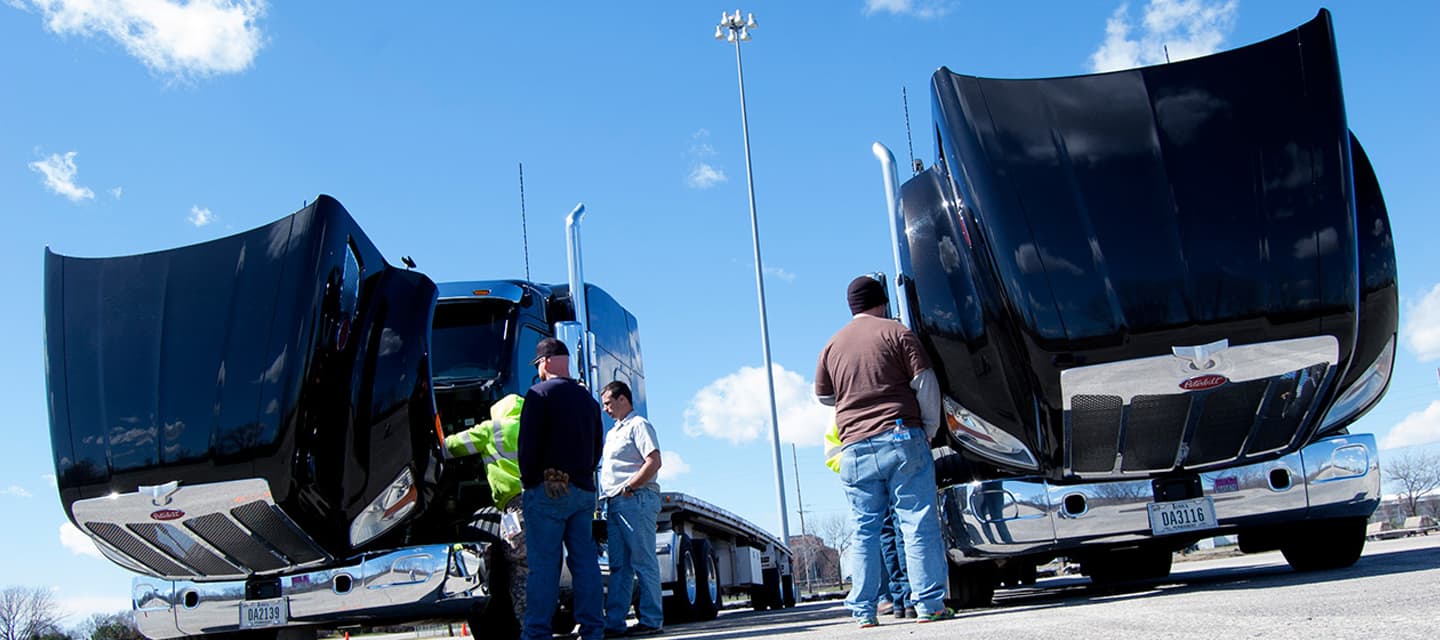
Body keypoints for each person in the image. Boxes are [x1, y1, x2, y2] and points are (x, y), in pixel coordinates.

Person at [814, 275, 951, 627]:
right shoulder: (897, 332)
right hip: (901, 436)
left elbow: (825, 397)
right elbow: (925, 383)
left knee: (864, 531)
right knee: (916, 523)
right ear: (882, 301)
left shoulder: (831, 345)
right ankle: (929, 605)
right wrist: (930, 430)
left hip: (855, 448)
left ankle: (863, 612)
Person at [518, 337, 606, 640]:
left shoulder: (538, 393)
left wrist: (531, 481)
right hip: (583, 491)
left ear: (544, 363)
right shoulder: (590, 402)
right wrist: (581, 475)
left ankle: (537, 633)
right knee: (584, 562)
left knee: (544, 565)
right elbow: (598, 447)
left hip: (548, 491)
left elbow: (527, 447)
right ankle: (593, 629)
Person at [444, 394, 529, 625]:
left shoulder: (492, 428)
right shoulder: (533, 426)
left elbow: (452, 447)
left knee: (520, 564)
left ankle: (529, 627)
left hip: (516, 506)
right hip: (544, 502)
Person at [824, 425, 913, 619]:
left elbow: (832, 451)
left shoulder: (843, 406)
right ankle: (907, 597)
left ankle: (894, 599)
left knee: (877, 534)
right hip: (891, 458)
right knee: (903, 529)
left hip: (861, 466)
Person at [598, 380, 664, 637]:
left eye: (608, 403)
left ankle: (651, 619)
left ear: (622, 399)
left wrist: (630, 486)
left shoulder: (639, 425)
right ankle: (615, 622)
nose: (605, 409)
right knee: (619, 566)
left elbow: (654, 461)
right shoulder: (613, 432)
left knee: (643, 560)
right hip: (614, 503)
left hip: (635, 499)